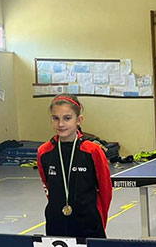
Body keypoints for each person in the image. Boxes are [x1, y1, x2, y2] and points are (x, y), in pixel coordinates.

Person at [37, 94, 113, 238]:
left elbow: (105, 190)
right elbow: (48, 187)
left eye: (67, 118)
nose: (60, 124)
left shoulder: (93, 151)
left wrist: (100, 220)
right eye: (55, 118)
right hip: (56, 222)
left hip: (89, 223)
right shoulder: (44, 152)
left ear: (79, 120)